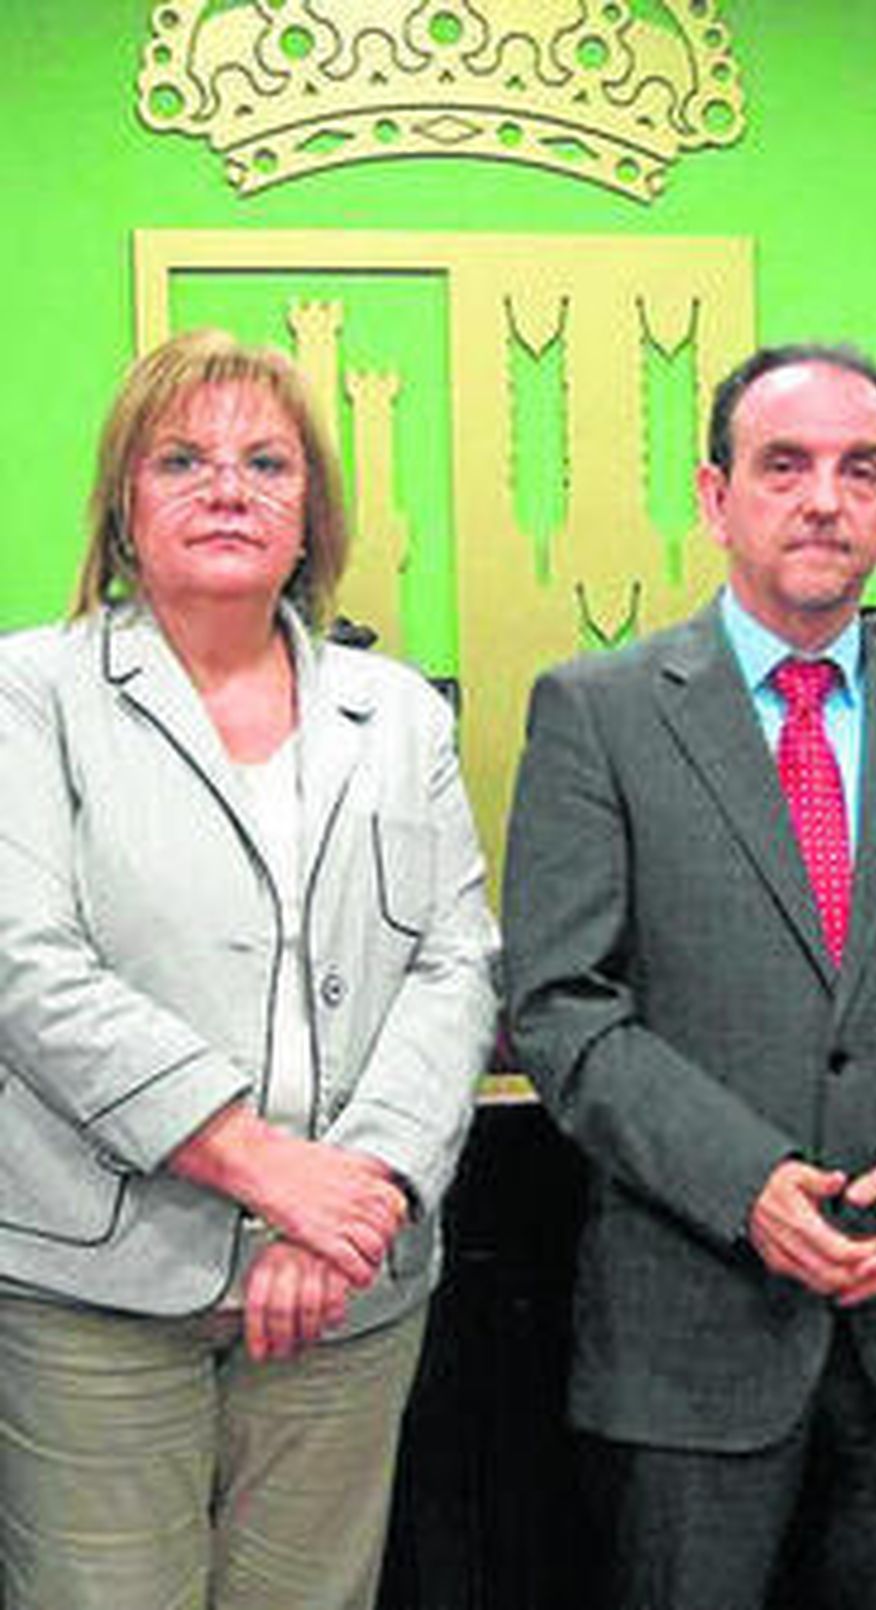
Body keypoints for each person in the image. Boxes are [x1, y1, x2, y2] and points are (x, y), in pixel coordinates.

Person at [502, 343, 876, 1610]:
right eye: (782, 464)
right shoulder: (599, 710)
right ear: (713, 493)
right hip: (690, 1337)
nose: (822, 498)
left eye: (863, 471)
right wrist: (746, 1186)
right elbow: (561, 1003)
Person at [0, 329, 499, 1610]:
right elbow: (24, 964)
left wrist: (358, 1194)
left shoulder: (398, 715)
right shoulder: (28, 691)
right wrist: (262, 1164)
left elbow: (454, 964)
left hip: (347, 1286)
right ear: (123, 505)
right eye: (183, 458)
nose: (228, 486)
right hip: (96, 1288)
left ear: (311, 513)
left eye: (265, 461)